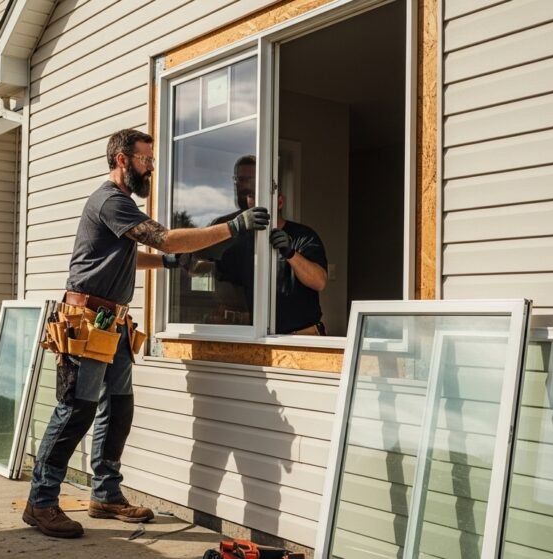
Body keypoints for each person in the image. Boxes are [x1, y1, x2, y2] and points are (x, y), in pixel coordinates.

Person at [23, 129, 269, 539]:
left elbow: (125, 254)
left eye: (151, 161)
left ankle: (105, 494)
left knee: (119, 408)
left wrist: (167, 263)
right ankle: (41, 501)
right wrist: (234, 227)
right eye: (146, 160)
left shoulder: (118, 208)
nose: (151, 167)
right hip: (87, 322)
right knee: (75, 410)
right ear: (122, 160)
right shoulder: (110, 200)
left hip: (113, 325)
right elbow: (165, 235)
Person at [210, 155, 329, 334]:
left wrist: (291, 254)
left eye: (251, 183)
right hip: (258, 336)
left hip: (303, 335)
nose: (255, 207)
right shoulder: (241, 243)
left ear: (279, 201)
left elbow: (319, 282)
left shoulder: (303, 236)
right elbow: (220, 275)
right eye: (241, 181)